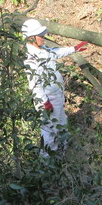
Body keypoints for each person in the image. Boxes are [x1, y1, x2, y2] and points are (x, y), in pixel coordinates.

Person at [22, 19, 88, 155]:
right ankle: (47, 161)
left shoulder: (44, 49)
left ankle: (61, 155)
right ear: (31, 38)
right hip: (48, 99)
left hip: (57, 95)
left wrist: (74, 49)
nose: (43, 37)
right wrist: (44, 102)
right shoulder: (31, 58)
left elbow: (56, 52)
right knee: (49, 130)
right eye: (40, 35)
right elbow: (34, 83)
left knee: (62, 124)